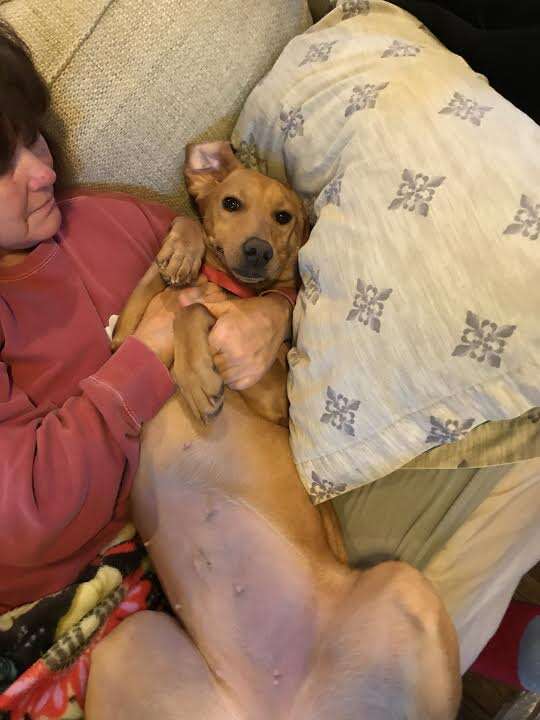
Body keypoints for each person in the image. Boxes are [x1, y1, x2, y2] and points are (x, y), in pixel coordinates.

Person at [0, 20, 293, 719]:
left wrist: (275, 312)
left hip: (215, 514)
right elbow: (24, 516)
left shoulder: (108, 215)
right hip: (77, 591)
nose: (42, 170)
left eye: (32, 137)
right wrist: (149, 351)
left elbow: (243, 269)